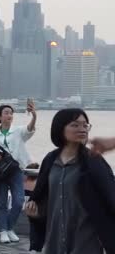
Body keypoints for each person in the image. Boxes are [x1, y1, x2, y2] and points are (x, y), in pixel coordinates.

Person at [26, 108, 115, 253]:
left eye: (85, 125)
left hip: (85, 242)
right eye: (75, 125)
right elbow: (46, 200)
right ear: (60, 128)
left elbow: (110, 197)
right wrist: (36, 214)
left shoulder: (93, 161)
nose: (82, 129)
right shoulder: (50, 160)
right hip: (54, 242)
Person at [0, 101, 37, 243]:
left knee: (18, 201)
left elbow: (30, 129)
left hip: (16, 170)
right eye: (6, 113)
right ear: (0, 116)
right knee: (1, 202)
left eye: (11, 113)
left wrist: (34, 115)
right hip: (0, 171)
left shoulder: (18, 131)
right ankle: (3, 231)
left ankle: (9, 227)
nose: (10, 115)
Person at [23, 163, 43, 254]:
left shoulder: (25, 180)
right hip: (35, 203)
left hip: (34, 204)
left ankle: (35, 247)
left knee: (35, 225)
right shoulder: (33, 181)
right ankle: (36, 247)